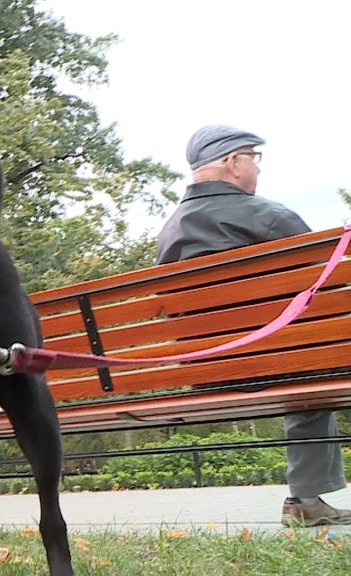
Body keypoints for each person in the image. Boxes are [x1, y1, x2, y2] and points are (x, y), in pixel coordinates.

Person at [156, 125, 350, 527]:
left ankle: (306, 502)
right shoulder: (270, 217)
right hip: (278, 364)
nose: (257, 170)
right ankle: (305, 498)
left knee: (305, 365)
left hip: (207, 371)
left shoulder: (169, 232)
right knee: (313, 363)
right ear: (232, 162)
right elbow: (331, 285)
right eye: (253, 158)